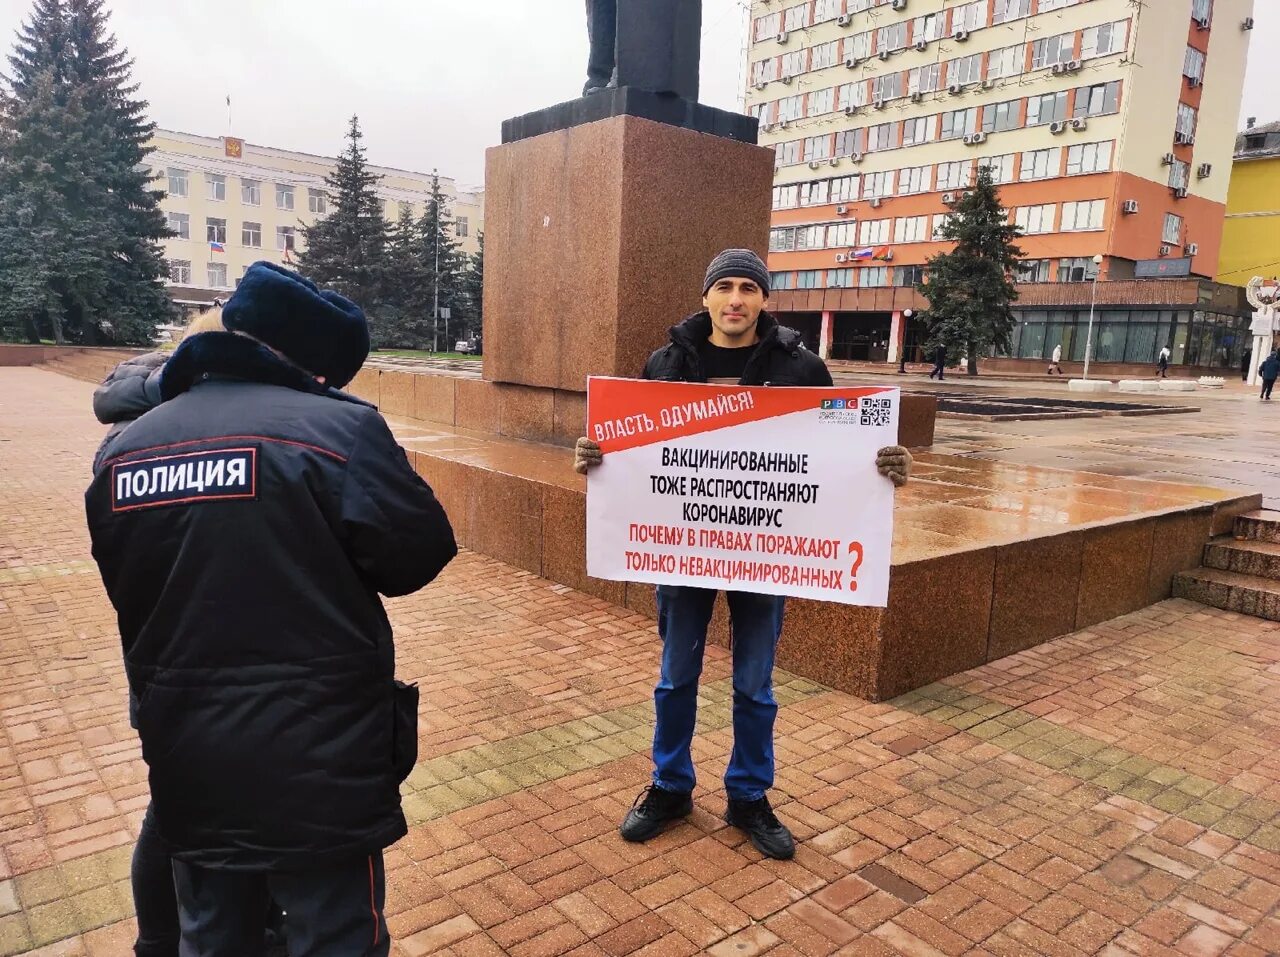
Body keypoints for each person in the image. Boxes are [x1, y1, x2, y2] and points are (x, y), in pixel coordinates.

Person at [86, 262, 457, 956]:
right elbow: (418, 555)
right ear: (315, 366)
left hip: (188, 750)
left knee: (211, 934)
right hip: (322, 759)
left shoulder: (125, 449)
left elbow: (128, 581)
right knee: (335, 935)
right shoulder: (339, 432)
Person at [572, 249, 912, 860]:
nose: (735, 299)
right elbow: (637, 452)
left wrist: (883, 465)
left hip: (764, 548)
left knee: (755, 685)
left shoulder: (801, 368)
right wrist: (599, 457)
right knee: (676, 676)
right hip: (683, 548)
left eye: (748, 289)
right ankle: (670, 785)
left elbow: (836, 453)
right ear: (706, 297)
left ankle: (748, 794)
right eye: (724, 287)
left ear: (763, 299)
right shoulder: (668, 362)